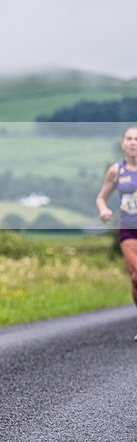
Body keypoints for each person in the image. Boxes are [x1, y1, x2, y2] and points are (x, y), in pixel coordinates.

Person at [97, 126, 137, 340]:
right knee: (135, 277)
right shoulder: (116, 171)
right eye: (129, 139)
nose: (133, 143)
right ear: (123, 143)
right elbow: (101, 197)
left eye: (136, 139)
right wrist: (103, 209)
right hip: (128, 229)